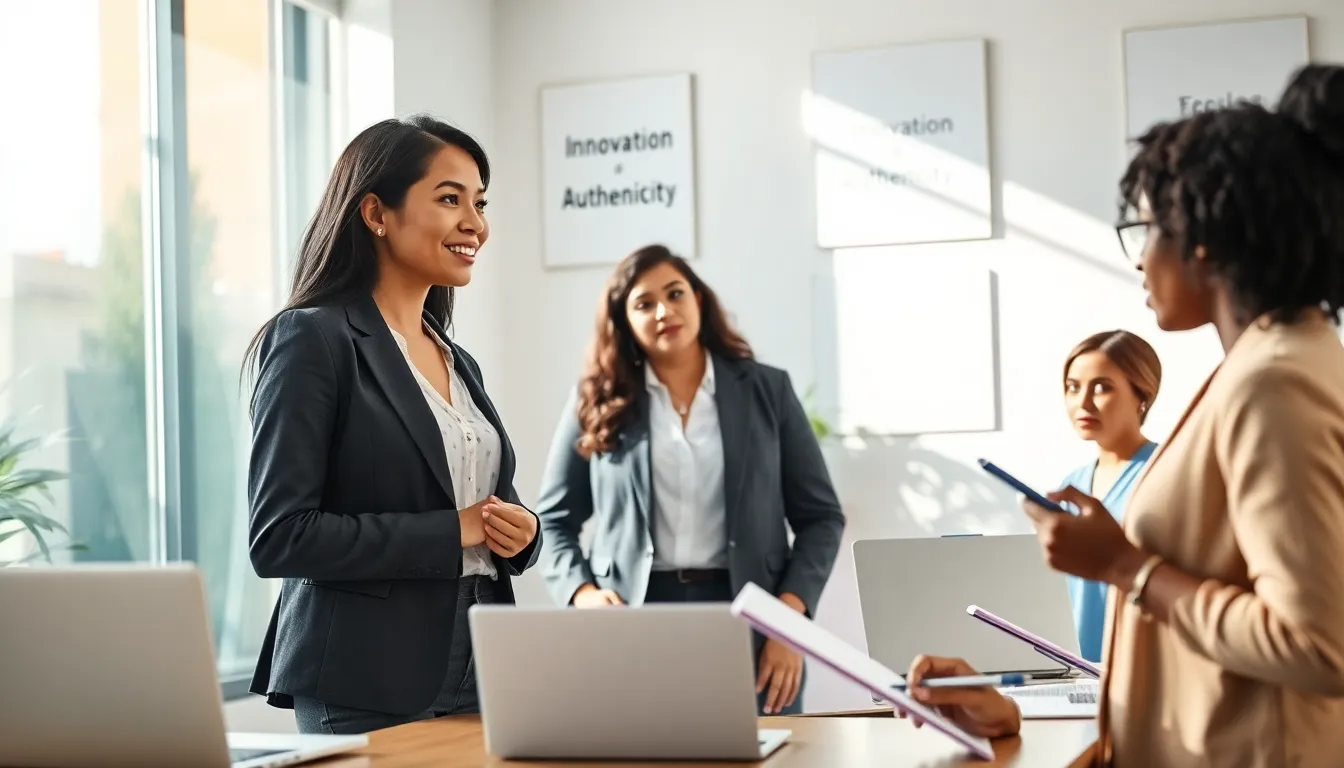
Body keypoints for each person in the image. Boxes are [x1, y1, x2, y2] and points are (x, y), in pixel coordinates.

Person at [905, 63, 1344, 767]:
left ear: (1202, 239)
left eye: (1146, 231)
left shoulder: (1275, 381)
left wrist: (1125, 566)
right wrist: (1010, 712)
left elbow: (1317, 644)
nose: (1139, 260)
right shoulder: (1269, 363)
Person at [242, 116, 541, 735]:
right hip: (364, 673)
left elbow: (482, 510)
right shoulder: (312, 339)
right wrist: (450, 531)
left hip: (481, 662)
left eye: (479, 203)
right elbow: (281, 537)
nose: (475, 224)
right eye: (450, 199)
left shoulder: (459, 361)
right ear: (376, 213)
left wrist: (523, 531)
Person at [535, 244, 846, 715]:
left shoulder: (768, 390)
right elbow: (553, 521)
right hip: (633, 618)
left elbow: (821, 518)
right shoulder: (596, 401)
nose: (664, 311)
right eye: (643, 304)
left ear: (698, 300)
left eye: (675, 294)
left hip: (754, 618)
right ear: (624, 322)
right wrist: (582, 595)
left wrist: (789, 620)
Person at [1057, 331, 1160, 662]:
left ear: (1141, 395)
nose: (1083, 403)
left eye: (1101, 387)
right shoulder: (1071, 486)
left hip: (1142, 663)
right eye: (1073, 387)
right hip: (1075, 668)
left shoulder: (1165, 473)